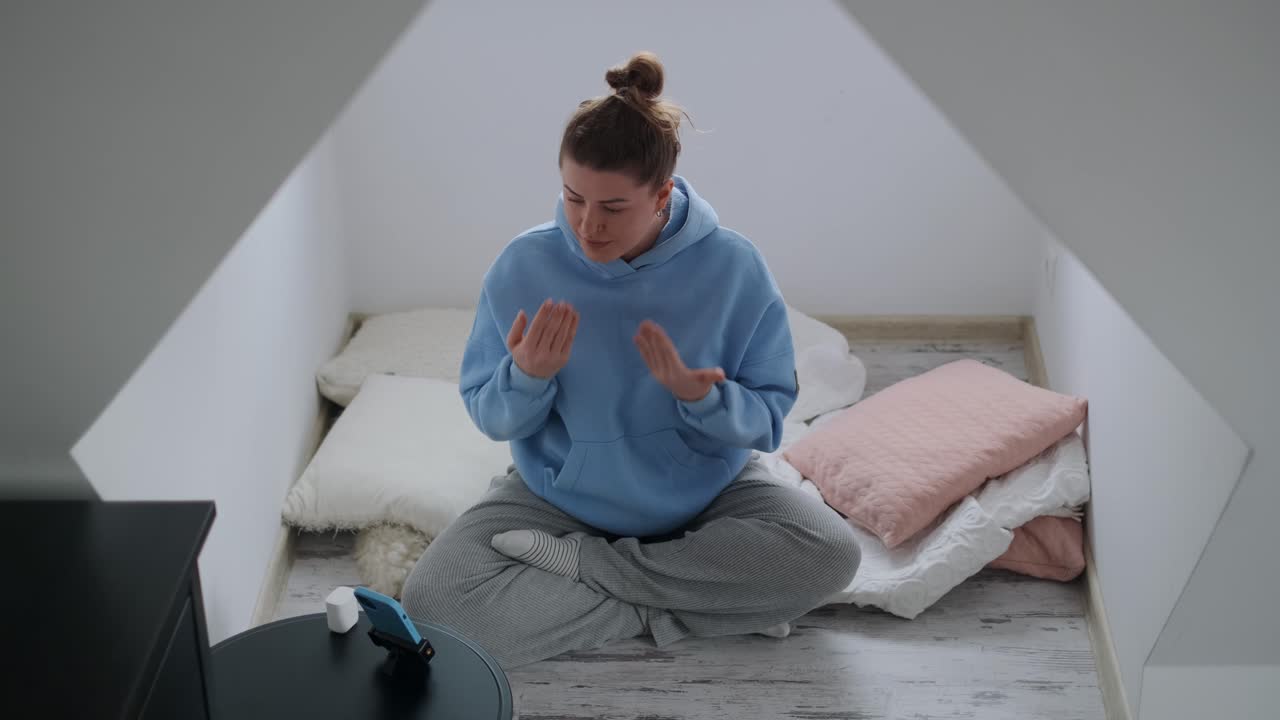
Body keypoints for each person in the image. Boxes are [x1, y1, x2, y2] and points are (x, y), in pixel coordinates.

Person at [401, 52, 859, 669]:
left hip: (704, 494)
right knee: (435, 608)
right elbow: (492, 417)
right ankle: (709, 603)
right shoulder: (523, 267)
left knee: (832, 552)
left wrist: (703, 400)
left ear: (663, 194)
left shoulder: (733, 267)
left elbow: (768, 418)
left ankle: (594, 573)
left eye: (613, 207)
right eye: (572, 198)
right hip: (559, 499)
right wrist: (527, 379)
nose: (588, 225)